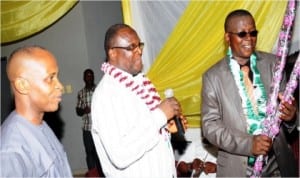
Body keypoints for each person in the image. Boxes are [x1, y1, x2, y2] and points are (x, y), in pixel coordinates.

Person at [201, 9, 298, 177]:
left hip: (278, 166)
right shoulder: (213, 77)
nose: (249, 39)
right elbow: (210, 127)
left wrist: (291, 117)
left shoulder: (274, 64)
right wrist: (249, 144)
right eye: (242, 34)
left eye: (253, 33)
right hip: (237, 169)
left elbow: (287, 119)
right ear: (227, 38)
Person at [91, 23, 187, 177]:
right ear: (113, 53)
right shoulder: (106, 95)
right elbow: (120, 155)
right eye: (131, 47)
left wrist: (167, 126)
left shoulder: (140, 84)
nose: (139, 51)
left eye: (139, 45)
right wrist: (160, 115)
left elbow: (142, 129)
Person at [0, 45, 72, 177]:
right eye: (50, 78)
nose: (60, 86)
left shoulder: (40, 124)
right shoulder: (10, 151)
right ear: (22, 85)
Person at [76, 68, 103, 176]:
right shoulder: (81, 93)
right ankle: (93, 174)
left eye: (91, 75)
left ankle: (102, 174)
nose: (90, 78)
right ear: (84, 78)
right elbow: (78, 110)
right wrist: (84, 110)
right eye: (87, 76)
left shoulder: (99, 90)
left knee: (100, 152)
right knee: (89, 153)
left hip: (99, 128)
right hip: (87, 129)